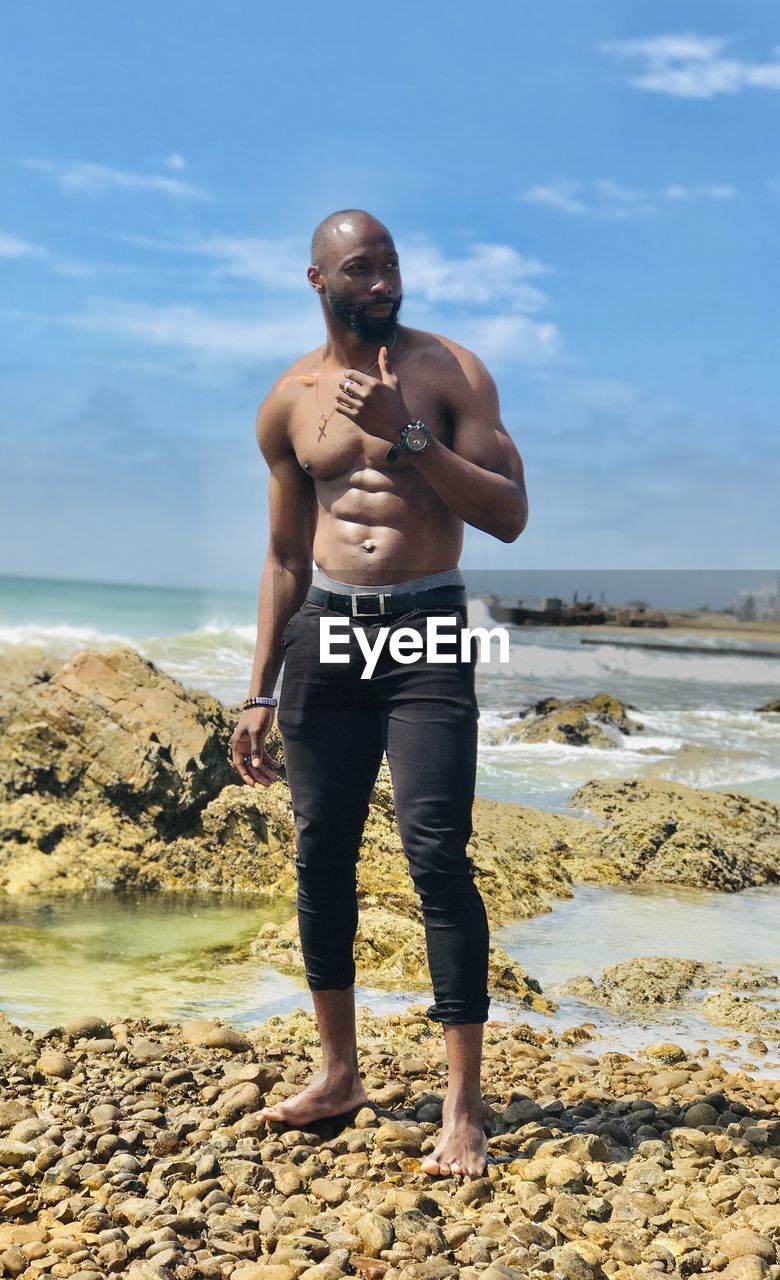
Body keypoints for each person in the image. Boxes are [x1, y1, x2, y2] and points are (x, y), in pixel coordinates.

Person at [230, 209, 528, 1179]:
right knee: (321, 853)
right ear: (317, 279)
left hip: (429, 624)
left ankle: (463, 1108)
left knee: (437, 852)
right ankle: (340, 1072)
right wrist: (257, 691)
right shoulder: (287, 401)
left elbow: (510, 514)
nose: (383, 280)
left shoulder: (453, 373)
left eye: (392, 262)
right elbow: (281, 555)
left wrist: (407, 440)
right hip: (326, 631)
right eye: (361, 267)